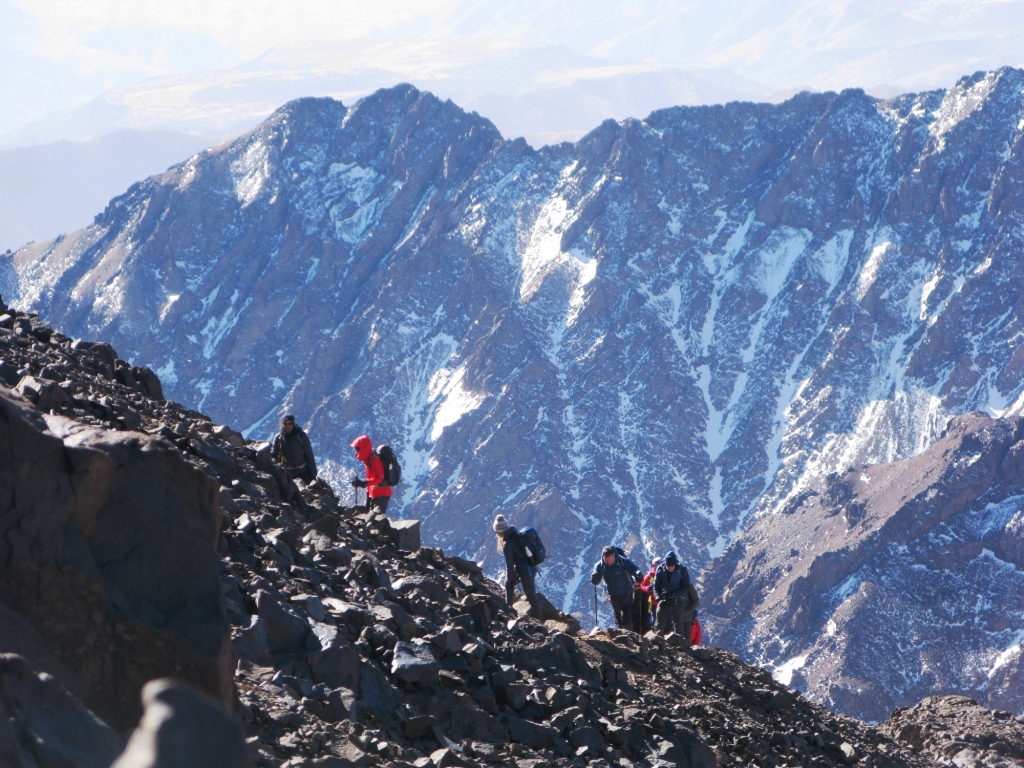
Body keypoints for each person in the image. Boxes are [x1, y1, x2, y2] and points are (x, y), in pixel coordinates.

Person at [493, 514, 543, 619]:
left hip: (525, 571)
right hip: (531, 568)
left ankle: (540, 621)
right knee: (529, 594)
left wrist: (510, 579)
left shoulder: (507, 544)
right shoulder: (515, 535)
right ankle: (509, 608)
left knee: (531, 597)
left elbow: (509, 564)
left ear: (499, 531)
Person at [591, 546, 642, 631]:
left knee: (625, 615)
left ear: (613, 555)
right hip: (613, 595)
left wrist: (638, 574)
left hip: (626, 592)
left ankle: (629, 636)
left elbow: (634, 569)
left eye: (609, 559)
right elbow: (596, 579)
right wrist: (594, 578)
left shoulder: (622, 561)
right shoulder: (601, 565)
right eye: (606, 560)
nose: (608, 562)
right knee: (618, 617)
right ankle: (622, 637)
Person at [653, 551, 699, 640]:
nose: (670, 567)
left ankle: (679, 644)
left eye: (672, 565)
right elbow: (656, 586)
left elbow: (686, 587)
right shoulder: (660, 569)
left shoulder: (682, 570)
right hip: (664, 599)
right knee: (659, 622)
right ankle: (657, 641)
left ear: (675, 563)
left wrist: (675, 594)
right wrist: (659, 598)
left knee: (678, 623)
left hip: (678, 600)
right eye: (668, 565)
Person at [350, 435, 393, 514]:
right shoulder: (368, 460)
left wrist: (364, 483)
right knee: (372, 516)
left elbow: (379, 479)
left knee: (377, 518)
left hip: (381, 493)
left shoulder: (374, 460)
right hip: (374, 493)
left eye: (357, 449)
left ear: (364, 448)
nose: (356, 452)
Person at [272, 414, 317, 483]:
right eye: (285, 424)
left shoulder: (301, 436)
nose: (288, 426)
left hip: (303, 472)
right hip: (288, 474)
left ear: (293, 424)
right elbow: (274, 454)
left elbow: (309, 455)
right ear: (282, 425)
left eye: (290, 423)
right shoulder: (278, 438)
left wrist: (313, 475)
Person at [639, 556, 662, 632]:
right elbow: (642, 586)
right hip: (652, 602)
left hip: (662, 602)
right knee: (654, 619)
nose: (657, 567)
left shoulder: (664, 575)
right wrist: (647, 588)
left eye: (659, 565)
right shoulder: (649, 576)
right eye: (655, 565)